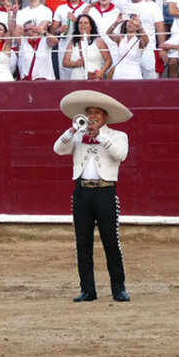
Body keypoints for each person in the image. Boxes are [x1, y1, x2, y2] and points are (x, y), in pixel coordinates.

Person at [53, 90, 131, 302]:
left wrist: (102, 136)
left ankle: (119, 288)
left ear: (105, 116)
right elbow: (57, 149)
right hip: (81, 193)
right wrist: (71, 131)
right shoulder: (78, 135)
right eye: (89, 113)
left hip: (105, 192)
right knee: (83, 243)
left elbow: (121, 155)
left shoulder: (117, 136)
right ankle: (87, 290)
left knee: (111, 242)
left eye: (97, 113)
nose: (93, 116)